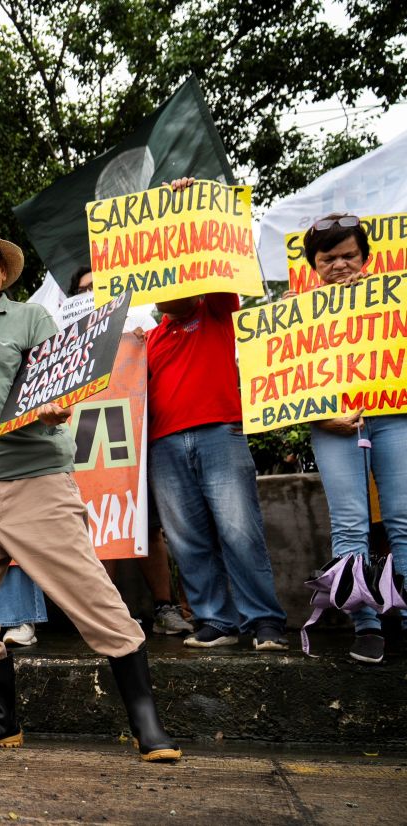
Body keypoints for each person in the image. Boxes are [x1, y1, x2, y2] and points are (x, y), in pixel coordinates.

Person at [0, 223, 179, 762]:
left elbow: (57, 386)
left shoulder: (31, 317)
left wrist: (57, 406)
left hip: (37, 483)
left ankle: (147, 723)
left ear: (3, 273)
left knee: (92, 598)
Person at [144, 179, 289, 652]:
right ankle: (216, 621)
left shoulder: (217, 309)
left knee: (240, 531)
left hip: (220, 432)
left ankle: (264, 621)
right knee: (188, 540)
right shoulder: (148, 340)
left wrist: (184, 204)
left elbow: (222, 253)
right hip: (164, 445)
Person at [300, 213, 405, 664]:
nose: (340, 265)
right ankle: (368, 626)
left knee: (402, 520)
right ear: (314, 265)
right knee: (349, 524)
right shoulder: (294, 314)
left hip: (394, 415)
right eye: (329, 258)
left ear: (365, 258)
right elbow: (286, 384)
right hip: (333, 426)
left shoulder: (395, 301)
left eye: (349, 256)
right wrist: (324, 419)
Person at [73, 268, 193, 636]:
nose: (93, 293)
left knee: (150, 527)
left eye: (100, 287)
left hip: (137, 447)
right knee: (99, 532)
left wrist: (141, 347)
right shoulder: (68, 340)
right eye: (85, 290)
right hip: (90, 452)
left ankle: (165, 607)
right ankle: (108, 614)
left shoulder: (141, 325)